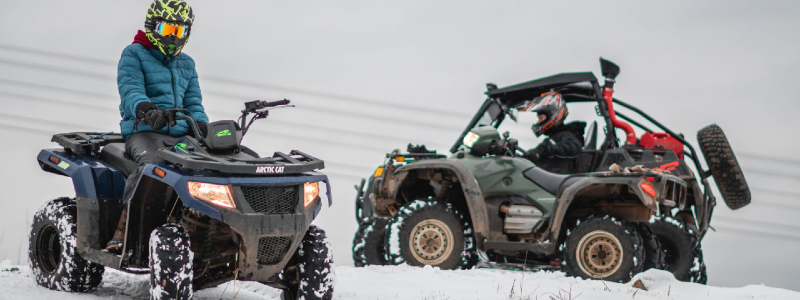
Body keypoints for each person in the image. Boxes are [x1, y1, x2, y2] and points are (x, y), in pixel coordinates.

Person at [106, 0, 209, 252]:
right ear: (153, 27)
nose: (174, 38)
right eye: (168, 31)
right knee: (154, 166)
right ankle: (123, 229)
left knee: (207, 169)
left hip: (181, 135)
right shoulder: (134, 54)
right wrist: (147, 110)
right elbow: (130, 89)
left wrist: (202, 126)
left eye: (180, 31)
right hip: (144, 132)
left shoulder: (187, 64)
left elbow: (194, 102)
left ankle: (203, 229)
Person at [523, 91, 586, 162]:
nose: (538, 122)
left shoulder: (567, 134)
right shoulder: (555, 137)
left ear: (553, 116)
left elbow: (573, 149)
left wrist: (545, 148)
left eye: (541, 118)